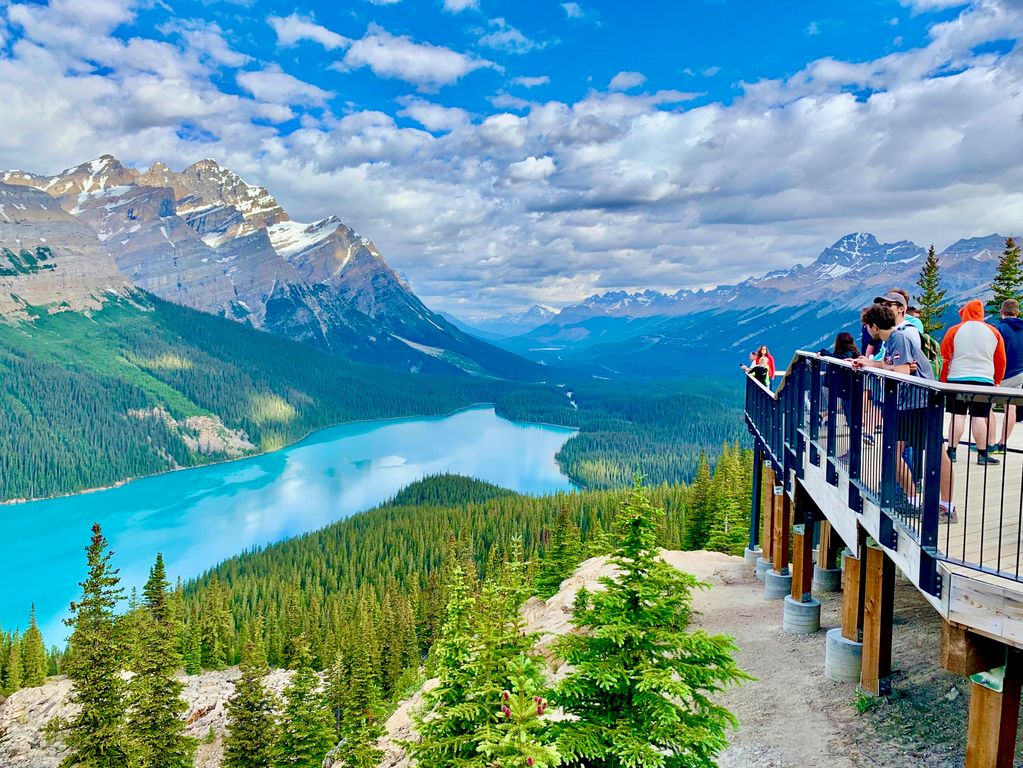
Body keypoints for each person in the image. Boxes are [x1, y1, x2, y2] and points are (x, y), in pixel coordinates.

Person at [855, 304, 956, 521]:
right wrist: (869, 363)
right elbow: (892, 364)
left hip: (920, 403)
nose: (866, 330)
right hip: (907, 404)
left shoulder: (899, 338)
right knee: (892, 452)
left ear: (874, 326)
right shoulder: (891, 340)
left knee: (936, 453)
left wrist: (882, 367)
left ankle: (946, 506)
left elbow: (901, 370)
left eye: (866, 326)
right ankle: (914, 502)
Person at [940, 299, 1007, 465]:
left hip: (957, 379)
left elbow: (945, 355)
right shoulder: (993, 332)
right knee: (979, 418)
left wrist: (944, 380)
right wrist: (997, 380)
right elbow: (1000, 359)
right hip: (984, 380)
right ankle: (983, 454)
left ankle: (952, 451)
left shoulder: (955, 330)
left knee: (958, 417)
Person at [995, 299, 1023, 450]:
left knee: (987, 408)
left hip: (1001, 374)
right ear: (1017, 312)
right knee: (1011, 408)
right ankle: (1003, 443)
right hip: (1019, 372)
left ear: (1002, 313)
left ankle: (987, 443)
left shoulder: (999, 329)